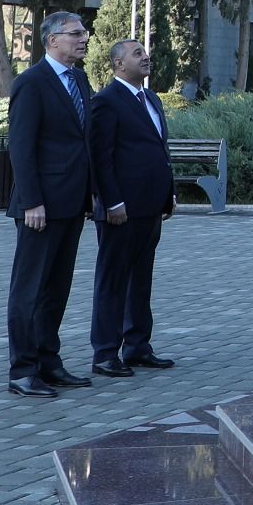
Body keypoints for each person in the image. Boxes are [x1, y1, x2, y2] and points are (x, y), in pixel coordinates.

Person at [5, 11, 96, 398]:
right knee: (30, 289)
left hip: (71, 202)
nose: (83, 39)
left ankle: (49, 362)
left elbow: (83, 142)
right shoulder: (32, 82)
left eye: (84, 33)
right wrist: (32, 202)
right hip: (39, 207)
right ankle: (23, 370)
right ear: (52, 39)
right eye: (75, 33)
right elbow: (21, 147)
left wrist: (90, 194)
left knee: (57, 288)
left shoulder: (79, 79)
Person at [86, 38, 177, 377]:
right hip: (120, 209)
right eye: (137, 53)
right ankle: (105, 353)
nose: (146, 57)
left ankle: (138, 346)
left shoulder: (151, 98)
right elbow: (101, 157)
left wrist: (168, 194)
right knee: (113, 281)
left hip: (150, 206)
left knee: (140, 280)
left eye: (145, 52)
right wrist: (111, 201)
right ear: (118, 64)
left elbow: (158, 151)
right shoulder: (106, 101)